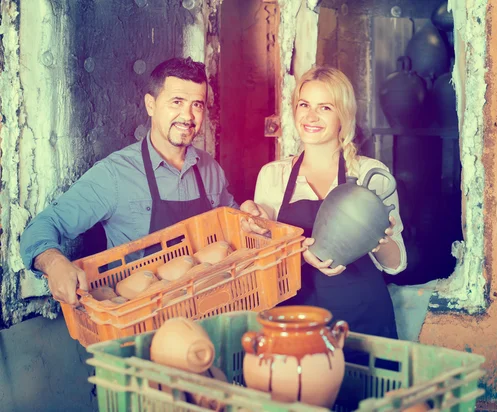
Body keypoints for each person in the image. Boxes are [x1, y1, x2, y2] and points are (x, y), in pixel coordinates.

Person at [20, 57, 243, 306]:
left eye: (197, 105)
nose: (188, 116)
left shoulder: (210, 169)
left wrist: (248, 216)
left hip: (208, 312)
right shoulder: (115, 174)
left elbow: (232, 219)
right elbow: (44, 225)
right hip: (140, 323)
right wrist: (54, 263)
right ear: (151, 104)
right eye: (177, 102)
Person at [242, 66, 407, 339]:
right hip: (294, 318)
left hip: (361, 320)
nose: (310, 116)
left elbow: (396, 263)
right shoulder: (274, 175)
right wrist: (255, 226)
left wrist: (379, 240)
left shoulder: (369, 174)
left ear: (343, 115)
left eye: (325, 107)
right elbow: (264, 257)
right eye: (304, 104)